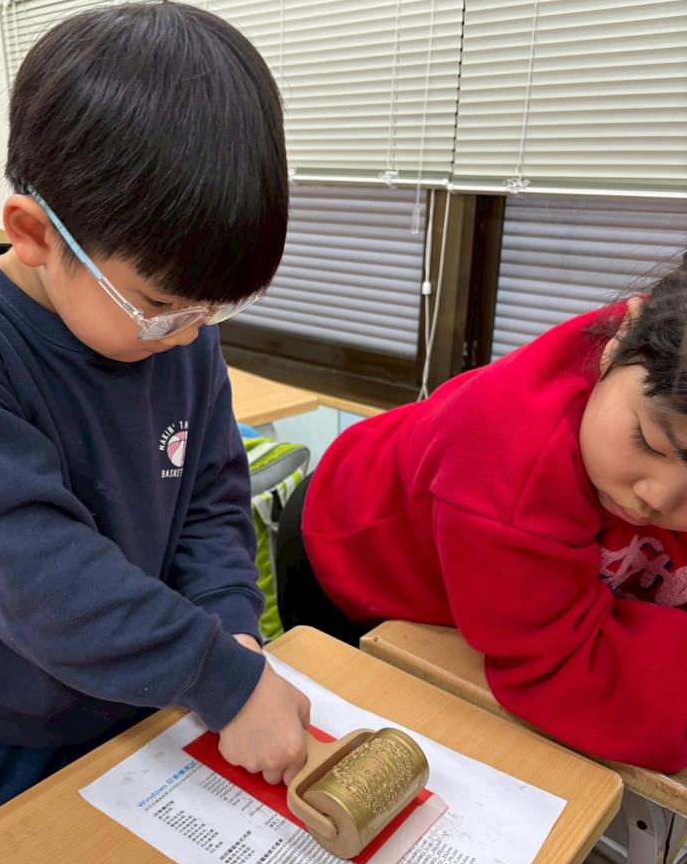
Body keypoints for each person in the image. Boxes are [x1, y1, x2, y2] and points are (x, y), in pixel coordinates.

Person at [0, 1, 311, 854]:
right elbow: (39, 575)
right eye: (164, 304)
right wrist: (217, 673)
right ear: (33, 233)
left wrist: (229, 624)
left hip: (137, 698)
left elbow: (211, 495)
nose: (192, 333)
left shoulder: (174, 330)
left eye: (213, 309)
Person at [278, 258, 687, 773]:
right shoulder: (507, 463)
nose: (656, 497)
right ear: (618, 342)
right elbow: (560, 667)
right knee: (346, 740)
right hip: (346, 549)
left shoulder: (652, 378)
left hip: (461, 538)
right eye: (649, 442)